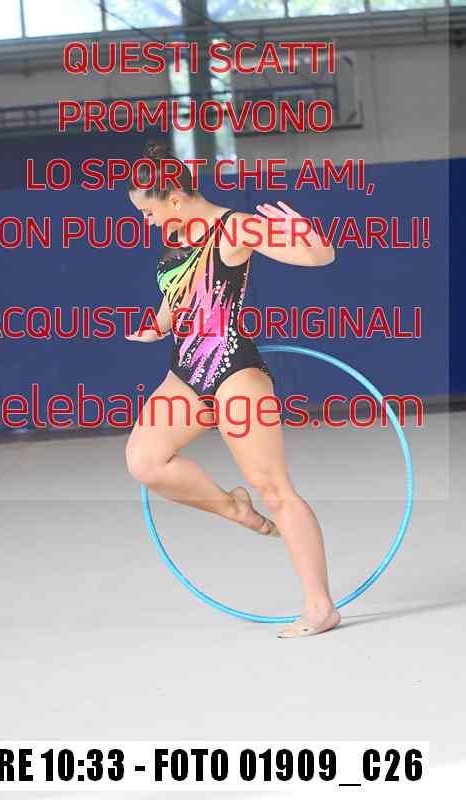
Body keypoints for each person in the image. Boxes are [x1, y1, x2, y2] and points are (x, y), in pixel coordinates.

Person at [125, 140, 340, 638]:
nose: (147, 222)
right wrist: (157, 326)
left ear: (174, 198)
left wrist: (308, 235)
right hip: (185, 372)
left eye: (148, 212)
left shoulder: (234, 228)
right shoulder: (178, 236)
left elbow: (318, 257)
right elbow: (178, 292)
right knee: (145, 461)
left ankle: (320, 605)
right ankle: (234, 509)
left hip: (232, 371)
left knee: (276, 490)